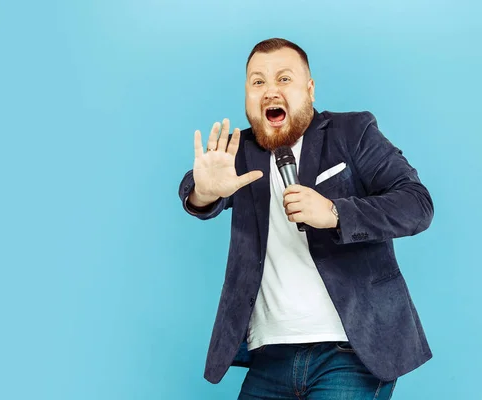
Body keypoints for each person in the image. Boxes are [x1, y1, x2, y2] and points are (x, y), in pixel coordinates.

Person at [178, 38, 434, 399]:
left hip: (350, 353)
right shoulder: (242, 150)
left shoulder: (352, 133)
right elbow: (195, 189)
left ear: (309, 90)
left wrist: (334, 213)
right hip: (270, 355)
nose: (270, 91)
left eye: (284, 79)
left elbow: (417, 204)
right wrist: (205, 191)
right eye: (258, 82)